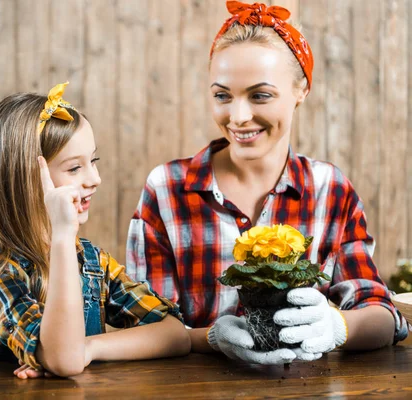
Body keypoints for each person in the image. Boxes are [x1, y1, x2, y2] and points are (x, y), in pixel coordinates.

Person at [126, 1, 408, 365]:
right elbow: (146, 324)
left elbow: (383, 316)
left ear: (301, 90)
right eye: (222, 95)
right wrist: (212, 338)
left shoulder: (329, 189)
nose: (239, 117)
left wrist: (337, 326)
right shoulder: (167, 188)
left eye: (260, 95)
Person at [0, 82, 190, 379]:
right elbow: (65, 360)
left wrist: (89, 348)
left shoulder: (92, 262)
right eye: (74, 169)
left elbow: (174, 333)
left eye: (93, 161)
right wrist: (63, 234)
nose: (95, 179)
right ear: (25, 179)